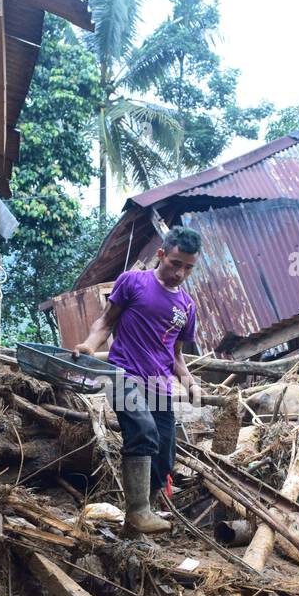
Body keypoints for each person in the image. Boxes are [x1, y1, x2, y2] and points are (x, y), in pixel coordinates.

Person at [74, 227, 204, 534]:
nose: (180, 273)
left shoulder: (187, 306)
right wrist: (89, 346)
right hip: (122, 375)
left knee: (165, 450)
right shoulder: (133, 282)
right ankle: (138, 511)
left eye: (188, 268)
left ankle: (138, 527)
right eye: (175, 263)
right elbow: (106, 322)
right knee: (143, 430)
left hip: (160, 387)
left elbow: (176, 355)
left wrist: (190, 383)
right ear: (161, 254)